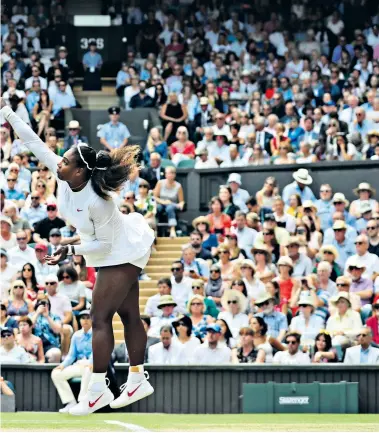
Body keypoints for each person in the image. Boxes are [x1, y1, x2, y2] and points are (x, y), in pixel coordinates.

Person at [0, 100, 155, 415]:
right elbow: (32, 140)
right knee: (128, 317)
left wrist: (70, 248)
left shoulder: (102, 203)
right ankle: (137, 378)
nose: (59, 162)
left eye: (66, 160)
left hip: (122, 252)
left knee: (98, 318)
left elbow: (103, 246)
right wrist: (6, 112)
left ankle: (97, 391)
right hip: (113, 250)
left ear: (81, 170)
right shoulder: (62, 173)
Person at [51, 311, 93, 413]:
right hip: (79, 365)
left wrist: (91, 363)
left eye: (88, 317)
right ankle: (71, 402)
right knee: (56, 373)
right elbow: (71, 355)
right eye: (83, 318)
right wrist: (62, 365)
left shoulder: (98, 333)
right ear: (80, 320)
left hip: (94, 366)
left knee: (88, 371)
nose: (85, 320)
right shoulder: (76, 335)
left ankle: (83, 403)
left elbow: (97, 352)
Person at [154, 166, 185, 238]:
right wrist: (163, 202)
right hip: (161, 203)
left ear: (174, 175)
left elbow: (181, 201)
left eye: (171, 173)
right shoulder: (160, 183)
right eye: (167, 173)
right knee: (157, 208)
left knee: (169, 208)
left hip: (172, 204)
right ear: (165, 174)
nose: (169, 175)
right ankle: (154, 229)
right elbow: (154, 197)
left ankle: (172, 229)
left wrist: (181, 205)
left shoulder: (178, 186)